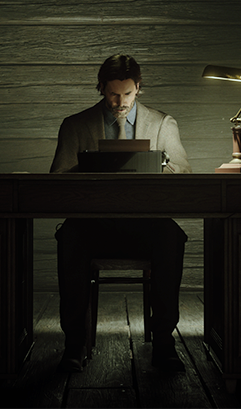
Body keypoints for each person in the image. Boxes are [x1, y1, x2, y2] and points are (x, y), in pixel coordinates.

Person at [50, 54, 191, 373]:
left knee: (172, 236)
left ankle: (165, 341)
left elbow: (183, 172)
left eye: (127, 94)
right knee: (69, 236)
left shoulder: (162, 124)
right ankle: (73, 343)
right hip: (93, 225)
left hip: (145, 223)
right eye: (113, 94)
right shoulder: (75, 125)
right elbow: (56, 180)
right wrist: (88, 169)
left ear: (138, 88)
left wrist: (158, 165)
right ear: (101, 88)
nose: (119, 102)